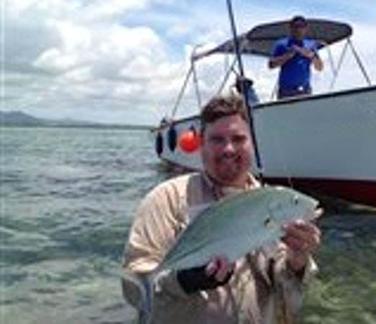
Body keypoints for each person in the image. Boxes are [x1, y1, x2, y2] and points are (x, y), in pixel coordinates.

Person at [121, 94, 322, 323]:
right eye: (217, 139)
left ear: (252, 144)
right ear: (201, 145)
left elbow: (291, 298)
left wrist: (298, 261)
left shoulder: (271, 203)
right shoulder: (165, 199)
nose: (228, 148)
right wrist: (184, 281)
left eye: (238, 138)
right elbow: (133, 286)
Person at [268, 16, 323, 99]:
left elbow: (320, 67)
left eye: (301, 26)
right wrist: (287, 56)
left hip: (305, 90)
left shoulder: (311, 44)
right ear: (290, 28)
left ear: (306, 28)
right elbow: (271, 65)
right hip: (286, 91)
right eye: (295, 26)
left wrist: (311, 56)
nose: (298, 30)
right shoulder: (282, 44)